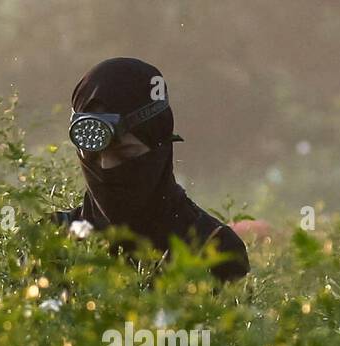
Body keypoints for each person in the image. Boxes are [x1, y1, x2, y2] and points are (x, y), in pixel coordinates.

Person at [54, 57, 249, 283]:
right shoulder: (52, 240)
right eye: (93, 155)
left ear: (160, 148)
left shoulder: (214, 249)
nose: (107, 166)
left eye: (125, 153)